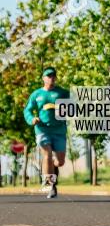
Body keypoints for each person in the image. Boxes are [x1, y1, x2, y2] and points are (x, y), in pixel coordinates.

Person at [23, 67, 70, 198]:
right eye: (49, 76)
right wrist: (32, 119)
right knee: (47, 155)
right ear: (43, 78)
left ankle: (53, 171)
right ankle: (51, 185)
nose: (51, 78)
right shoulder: (36, 94)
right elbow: (27, 110)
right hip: (42, 130)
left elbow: (74, 105)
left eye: (53, 76)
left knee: (60, 162)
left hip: (59, 130)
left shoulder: (63, 93)